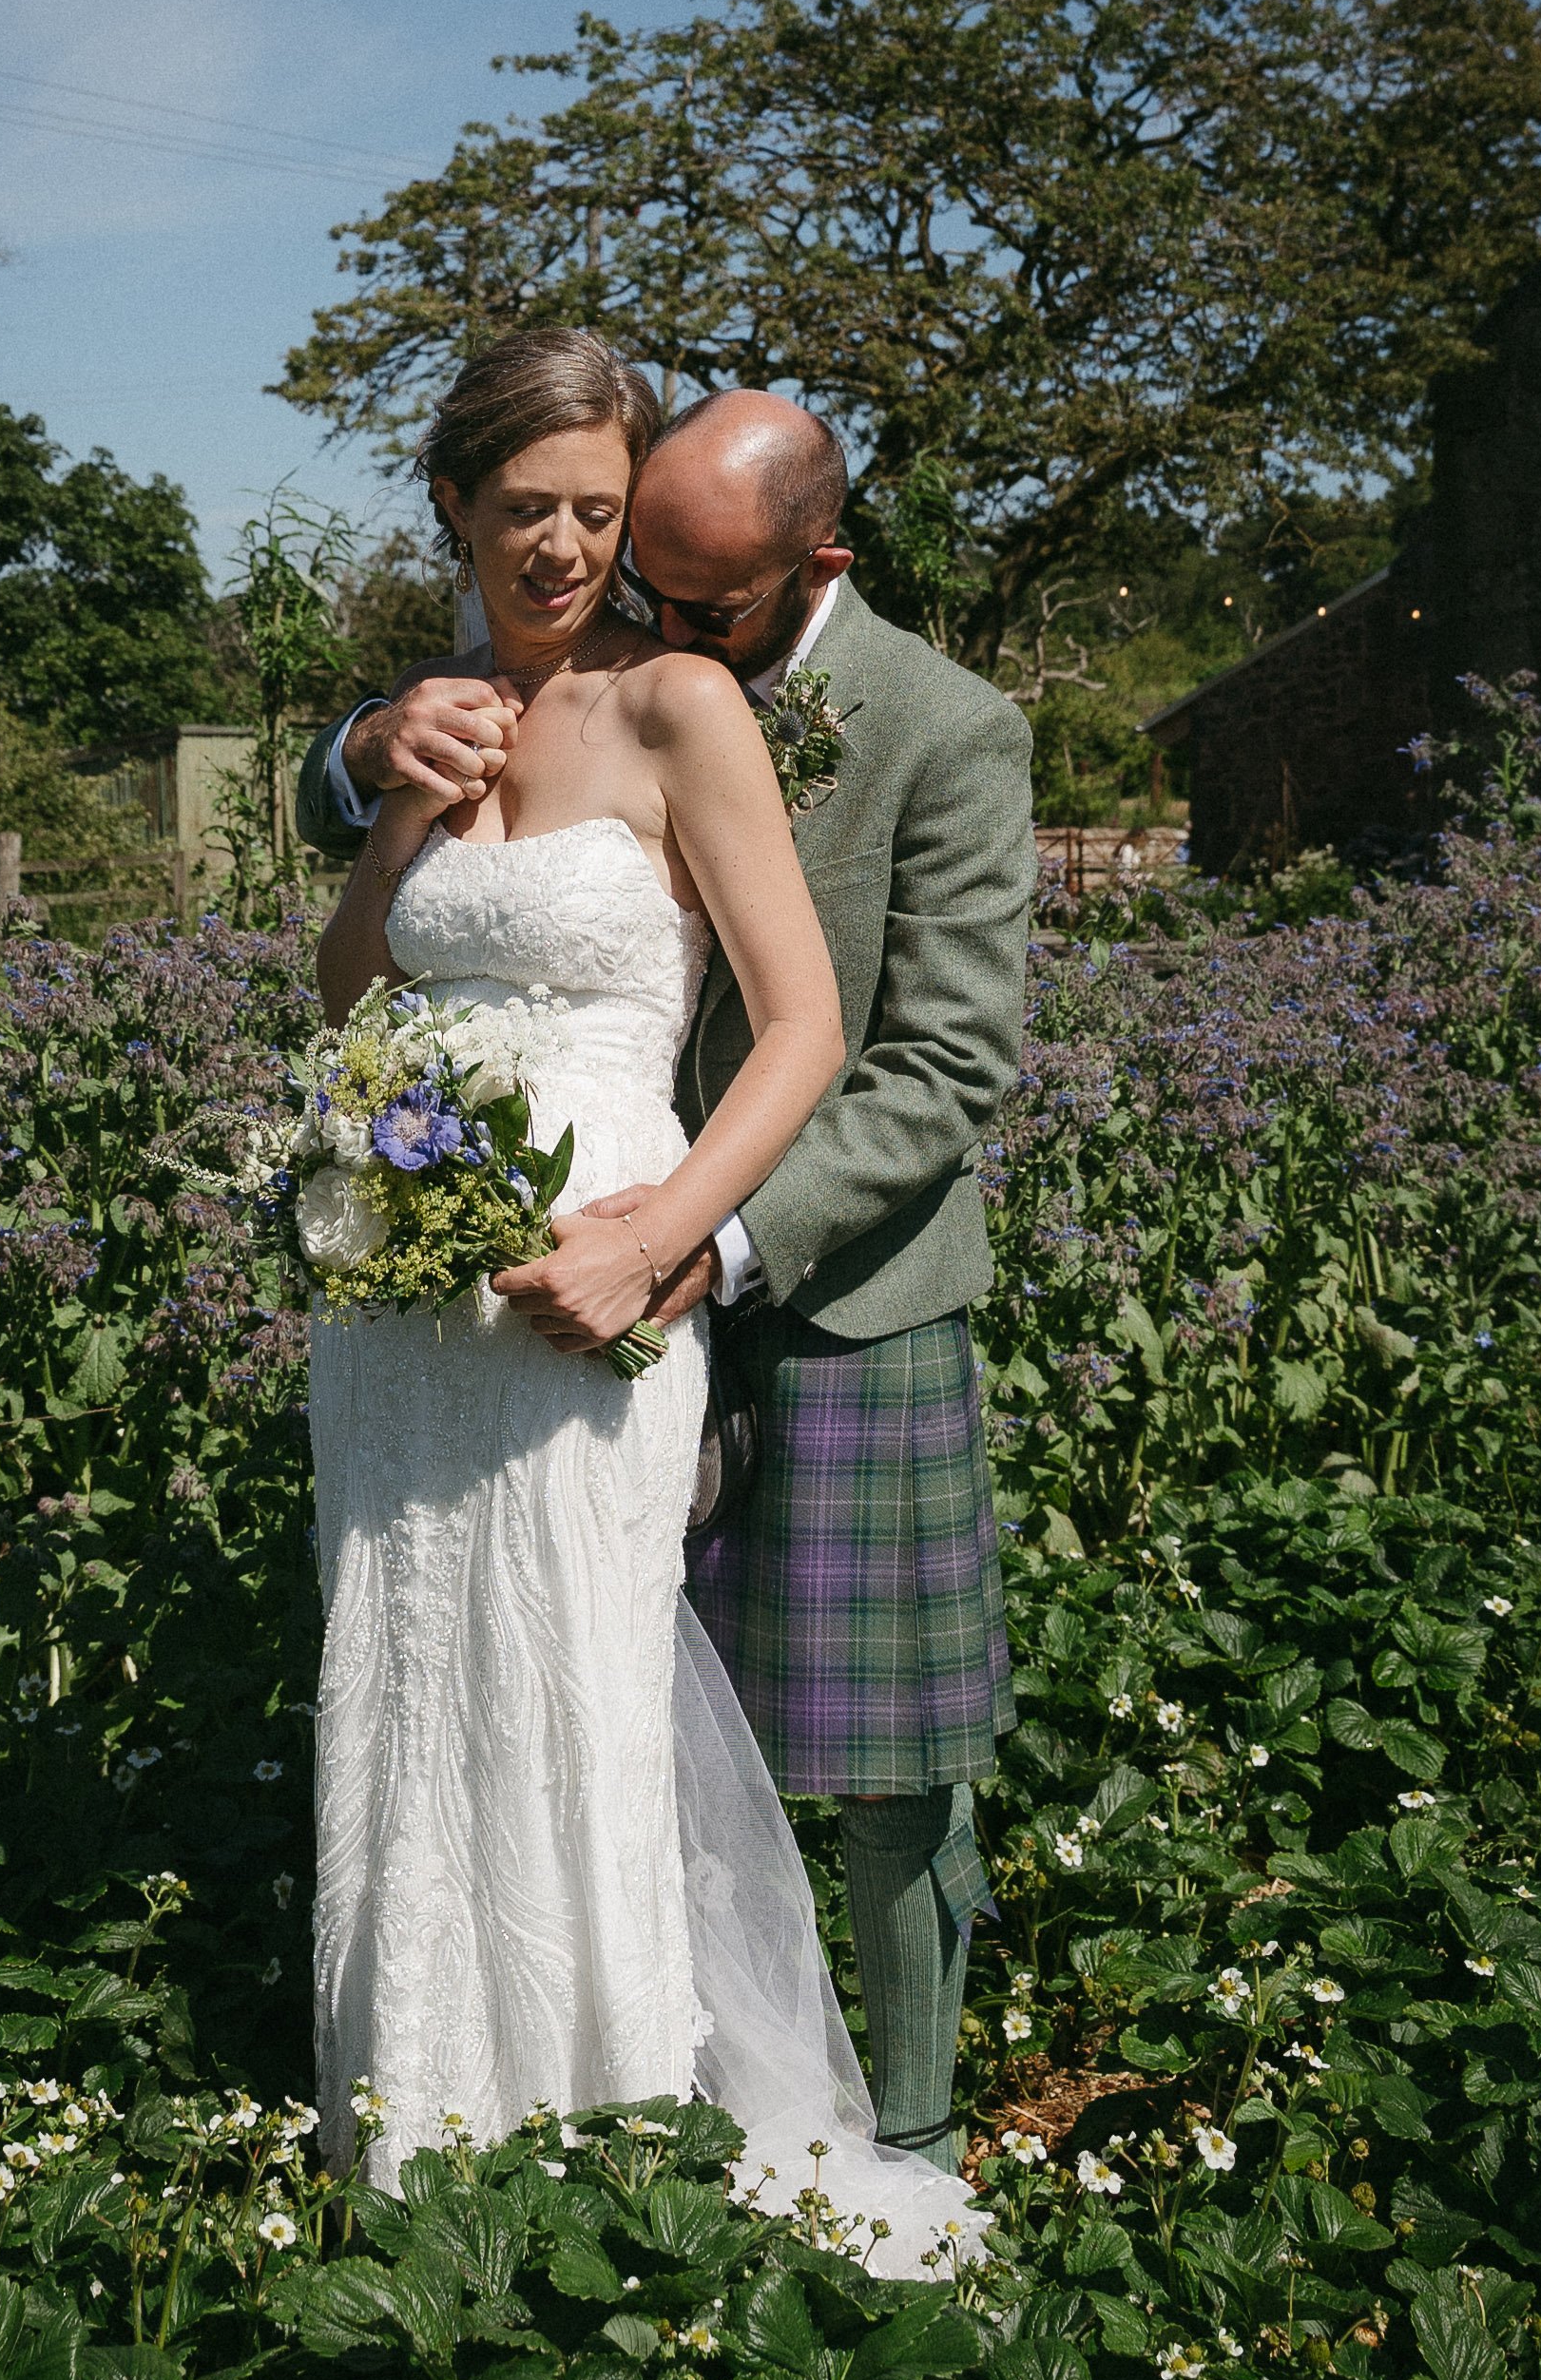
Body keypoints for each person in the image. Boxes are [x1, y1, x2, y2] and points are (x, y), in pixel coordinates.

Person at [303, 386, 1036, 2181]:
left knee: (873, 1746)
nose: (606, 575)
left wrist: (679, 1240)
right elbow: (364, 947)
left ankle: (902, 2127)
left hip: (821, 1271)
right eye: (566, 526)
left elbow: (923, 1061)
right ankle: (441, 2099)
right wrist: (372, 760)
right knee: (465, 1674)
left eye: (666, 570)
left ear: (813, 565)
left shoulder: (929, 723)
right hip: (476, 1296)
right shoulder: (482, 697)